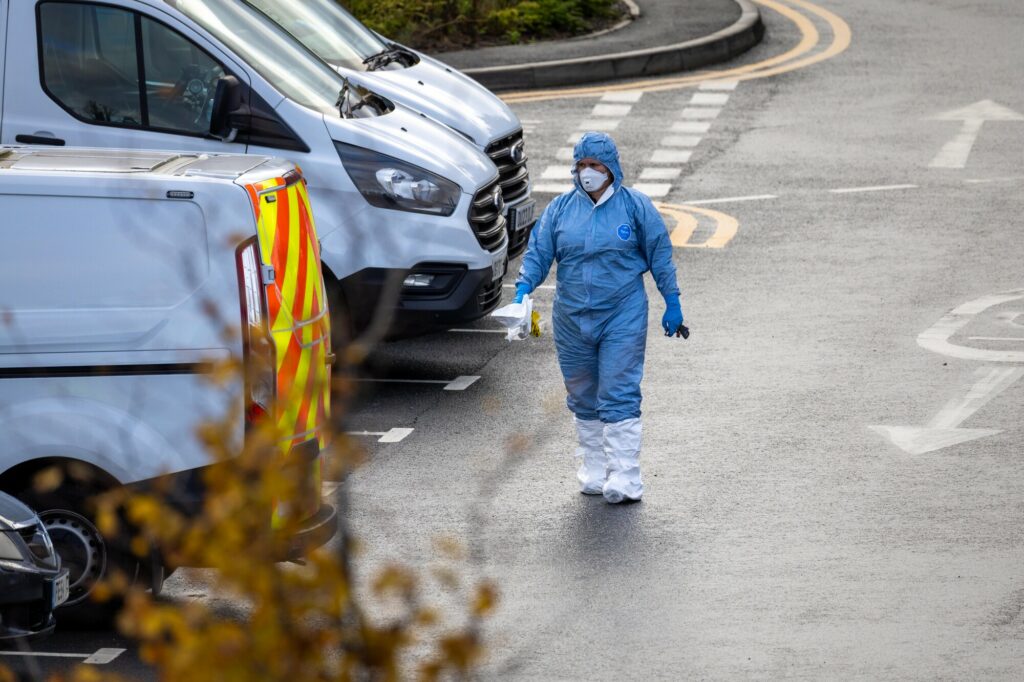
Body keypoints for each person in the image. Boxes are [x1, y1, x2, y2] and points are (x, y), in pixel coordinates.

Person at [514, 132, 685, 504]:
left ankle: (625, 477)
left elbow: (660, 254)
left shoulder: (635, 208)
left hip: (621, 315)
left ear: (611, 168)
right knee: (582, 395)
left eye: (595, 165)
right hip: (572, 318)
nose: (587, 172)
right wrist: (522, 290)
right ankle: (594, 469)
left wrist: (672, 300)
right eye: (582, 165)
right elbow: (539, 253)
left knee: (618, 393)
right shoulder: (560, 209)